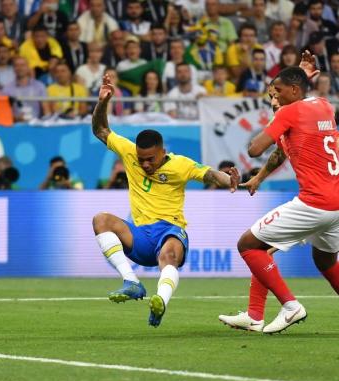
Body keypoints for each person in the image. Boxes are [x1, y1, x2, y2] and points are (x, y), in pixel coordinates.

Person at [92, 73, 240, 327]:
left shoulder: (180, 165)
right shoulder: (129, 153)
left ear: (163, 151)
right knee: (101, 220)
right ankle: (131, 282)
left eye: (151, 158)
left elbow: (211, 175)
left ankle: (160, 302)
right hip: (139, 237)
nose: (145, 164)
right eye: (142, 159)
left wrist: (232, 180)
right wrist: (103, 102)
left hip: (169, 231)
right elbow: (101, 130)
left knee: (169, 255)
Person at [220, 61, 339, 334]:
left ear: (295, 90)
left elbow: (254, 148)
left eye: (278, 92)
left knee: (249, 245)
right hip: (336, 205)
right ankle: (253, 315)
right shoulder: (323, 105)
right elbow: (284, 150)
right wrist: (260, 178)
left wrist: (278, 116)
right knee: (325, 261)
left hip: (314, 204)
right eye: (271, 94)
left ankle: (290, 306)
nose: (274, 98)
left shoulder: (290, 113)